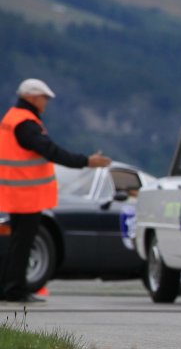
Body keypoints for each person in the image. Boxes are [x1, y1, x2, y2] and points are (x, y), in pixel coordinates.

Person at [1, 79, 111, 303]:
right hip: (27, 194)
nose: (46, 103)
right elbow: (51, 151)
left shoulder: (12, 118)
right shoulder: (26, 123)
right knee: (22, 243)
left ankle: (10, 287)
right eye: (44, 98)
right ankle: (15, 289)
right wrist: (86, 161)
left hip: (16, 193)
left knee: (17, 242)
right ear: (32, 97)